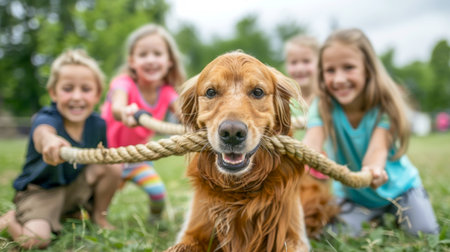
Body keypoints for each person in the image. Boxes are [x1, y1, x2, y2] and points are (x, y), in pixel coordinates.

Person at [302, 28, 440, 236]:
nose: (339, 79)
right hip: (354, 196)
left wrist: (373, 170)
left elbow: (377, 150)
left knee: (425, 232)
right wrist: (300, 159)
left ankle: (399, 206)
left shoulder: (384, 105)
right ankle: (374, 216)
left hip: (400, 190)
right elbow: (312, 141)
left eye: (348, 68)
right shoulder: (322, 105)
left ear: (368, 69)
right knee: (334, 235)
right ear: (321, 74)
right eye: (330, 70)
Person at [0, 49, 122, 249]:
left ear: (97, 94)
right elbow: (42, 133)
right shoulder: (48, 117)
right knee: (35, 240)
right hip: (41, 192)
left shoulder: (98, 124)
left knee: (111, 166)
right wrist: (49, 141)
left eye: (85, 89)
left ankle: (98, 218)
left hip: (73, 187)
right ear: (53, 93)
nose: (76, 96)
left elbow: (102, 165)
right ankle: (10, 219)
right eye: (67, 88)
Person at [101, 23, 186, 224]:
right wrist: (125, 112)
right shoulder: (123, 83)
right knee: (97, 197)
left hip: (137, 160)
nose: (150, 60)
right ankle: (96, 217)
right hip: (108, 158)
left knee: (157, 193)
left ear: (169, 61)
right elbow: (117, 106)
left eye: (157, 54)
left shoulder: (167, 92)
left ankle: (154, 223)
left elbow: (186, 114)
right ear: (132, 61)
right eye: (143, 54)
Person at [284, 34, 320, 106]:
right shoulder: (285, 101)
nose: (299, 68)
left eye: (306, 61)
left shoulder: (326, 99)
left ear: (320, 63)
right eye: (294, 62)